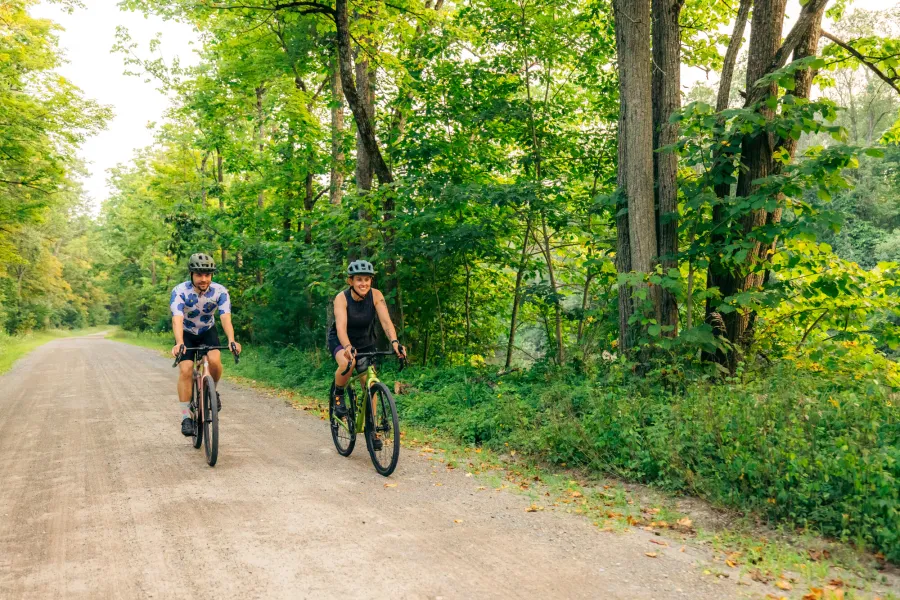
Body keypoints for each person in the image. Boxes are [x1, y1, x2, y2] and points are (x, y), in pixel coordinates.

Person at [327, 260, 406, 433]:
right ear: (351, 281)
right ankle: (338, 394)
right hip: (341, 340)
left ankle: (372, 427)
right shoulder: (341, 298)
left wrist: (394, 342)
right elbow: (340, 327)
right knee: (348, 363)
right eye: (359, 279)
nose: (363, 283)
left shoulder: (376, 295)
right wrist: (347, 346)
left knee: (370, 386)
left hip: (365, 341)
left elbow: (386, 322)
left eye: (367, 279)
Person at [170, 253, 242, 436]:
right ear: (191, 274)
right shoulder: (179, 291)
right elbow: (177, 319)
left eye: (207, 275)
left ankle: (212, 391)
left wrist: (232, 340)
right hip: (186, 332)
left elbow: (225, 317)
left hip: (207, 331)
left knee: (215, 361)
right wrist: (179, 343)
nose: (204, 279)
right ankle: (186, 416)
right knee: (186, 369)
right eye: (199, 275)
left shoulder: (220, 292)